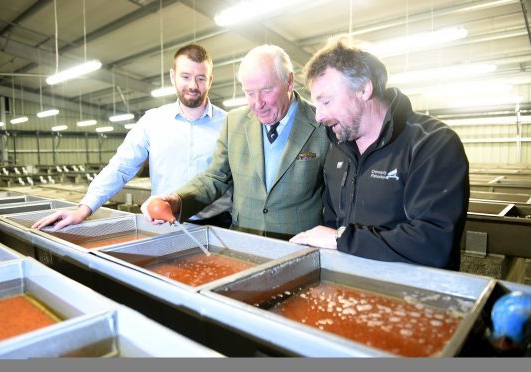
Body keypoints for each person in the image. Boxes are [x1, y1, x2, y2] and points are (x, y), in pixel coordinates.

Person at [289, 35, 469, 270]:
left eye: (327, 101)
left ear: (364, 88)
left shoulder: (432, 143)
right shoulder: (338, 149)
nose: (318, 116)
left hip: (413, 295)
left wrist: (342, 239)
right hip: (349, 287)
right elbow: (333, 223)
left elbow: (434, 243)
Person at [33, 44, 231, 230]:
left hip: (220, 223)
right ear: (173, 77)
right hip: (165, 224)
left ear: (210, 80)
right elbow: (121, 167)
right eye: (185, 76)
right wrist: (84, 208)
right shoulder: (153, 121)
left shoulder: (229, 123)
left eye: (201, 78)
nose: (193, 85)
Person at [141, 45, 330, 240]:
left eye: (266, 90)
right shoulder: (235, 122)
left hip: (301, 244)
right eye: (249, 93)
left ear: (289, 82)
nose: (257, 103)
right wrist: (176, 200)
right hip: (244, 239)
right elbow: (216, 177)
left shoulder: (323, 124)